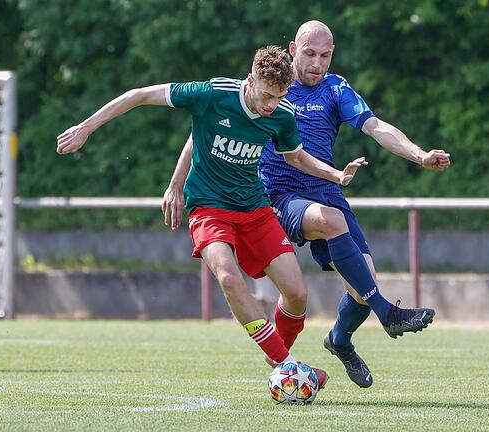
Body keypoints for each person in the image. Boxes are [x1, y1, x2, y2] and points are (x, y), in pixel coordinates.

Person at [58, 45, 371, 387]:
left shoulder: (281, 115)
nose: (270, 106)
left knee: (296, 294)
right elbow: (139, 95)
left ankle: (277, 356)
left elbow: (296, 157)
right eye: (266, 95)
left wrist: (335, 175)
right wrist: (87, 127)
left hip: (255, 208)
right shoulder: (211, 94)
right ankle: (287, 364)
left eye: (278, 98)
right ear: (250, 81)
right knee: (228, 278)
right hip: (209, 208)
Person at [164, 21, 451, 389]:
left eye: (326, 55)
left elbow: (375, 126)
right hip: (277, 194)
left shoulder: (336, 89)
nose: (317, 63)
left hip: (326, 191)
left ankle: (338, 341)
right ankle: (386, 314)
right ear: (292, 48)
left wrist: (420, 154)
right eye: (310, 53)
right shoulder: (271, 86)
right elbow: (205, 131)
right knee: (332, 234)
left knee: (360, 286)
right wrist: (176, 183)